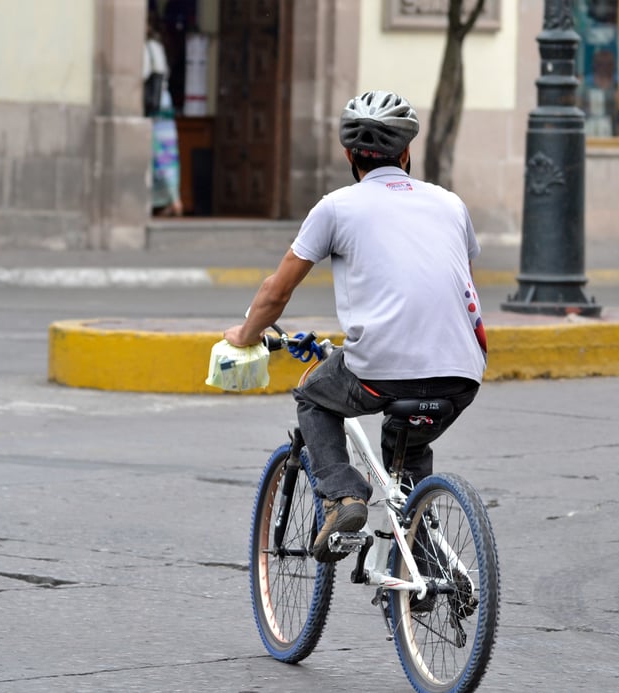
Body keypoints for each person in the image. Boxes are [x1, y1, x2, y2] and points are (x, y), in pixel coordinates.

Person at [222, 90, 488, 563]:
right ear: (406, 153)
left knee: (314, 398)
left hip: (379, 369)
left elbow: (276, 293)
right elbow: (450, 284)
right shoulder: (451, 205)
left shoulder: (337, 207)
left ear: (348, 155)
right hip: (462, 371)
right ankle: (424, 564)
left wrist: (244, 335)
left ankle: (345, 497)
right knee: (408, 444)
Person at [144, 23, 183, 217]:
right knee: (169, 157)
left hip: (155, 108)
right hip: (164, 105)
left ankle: (171, 200)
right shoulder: (158, 47)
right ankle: (174, 199)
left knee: (158, 158)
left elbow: (143, 73)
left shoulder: (146, 48)